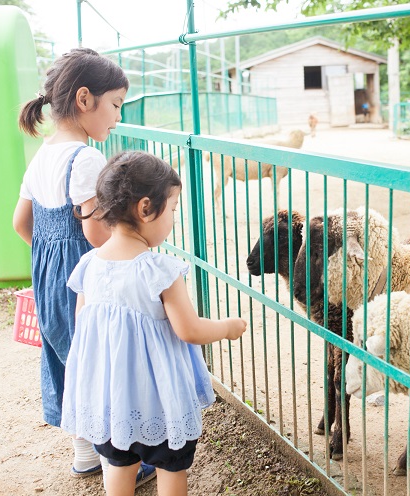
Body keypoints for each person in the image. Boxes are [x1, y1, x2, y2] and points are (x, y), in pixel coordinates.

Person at [62, 151, 248, 496]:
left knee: (118, 466)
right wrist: (227, 327)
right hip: (158, 400)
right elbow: (189, 329)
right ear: (146, 208)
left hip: (110, 400)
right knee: (170, 467)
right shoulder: (159, 270)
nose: (174, 218)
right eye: (173, 208)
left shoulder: (89, 265)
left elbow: (83, 329)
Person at [12, 48, 154, 486]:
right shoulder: (85, 158)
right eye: (115, 106)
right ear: (85, 98)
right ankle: (120, 460)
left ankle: (84, 452)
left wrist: (51, 256)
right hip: (84, 285)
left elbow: (21, 224)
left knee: (71, 360)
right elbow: (96, 235)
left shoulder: (41, 155)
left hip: (50, 280)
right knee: (100, 364)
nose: (116, 118)